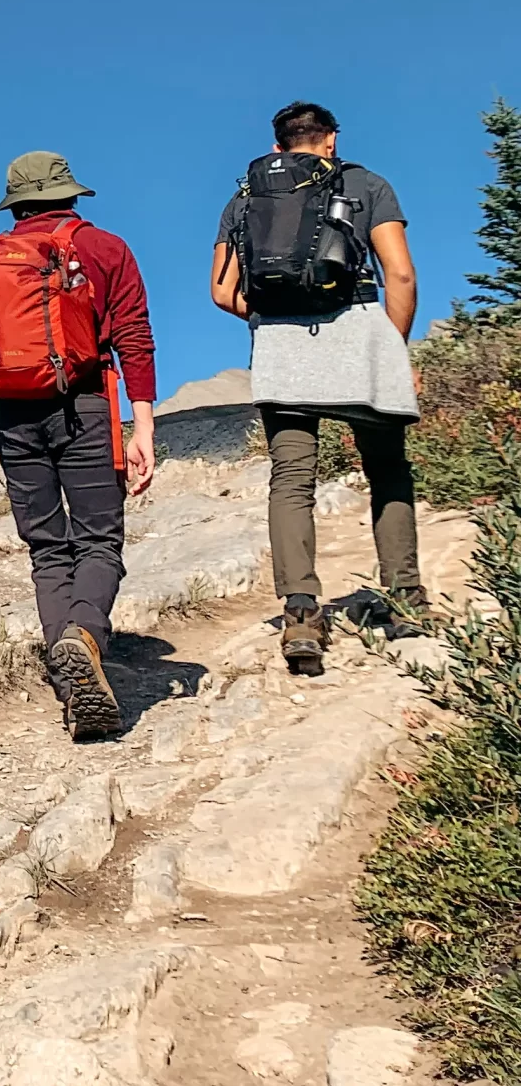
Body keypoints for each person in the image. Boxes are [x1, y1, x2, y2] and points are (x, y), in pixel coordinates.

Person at [211, 101, 424, 673]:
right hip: (359, 335)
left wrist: (270, 320)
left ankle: (301, 614)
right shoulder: (367, 183)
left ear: (278, 145)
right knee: (387, 468)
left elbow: (221, 290)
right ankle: (405, 600)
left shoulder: (247, 196)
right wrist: (391, 346)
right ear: (330, 139)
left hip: (283, 351)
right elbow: (399, 273)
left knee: (292, 480)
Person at [0, 151, 157, 741]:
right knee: (100, 539)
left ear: (16, 203)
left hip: (11, 412)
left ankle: (74, 691)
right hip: (84, 404)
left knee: (48, 550)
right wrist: (142, 425)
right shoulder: (105, 249)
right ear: (71, 196)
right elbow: (133, 336)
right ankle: (85, 636)